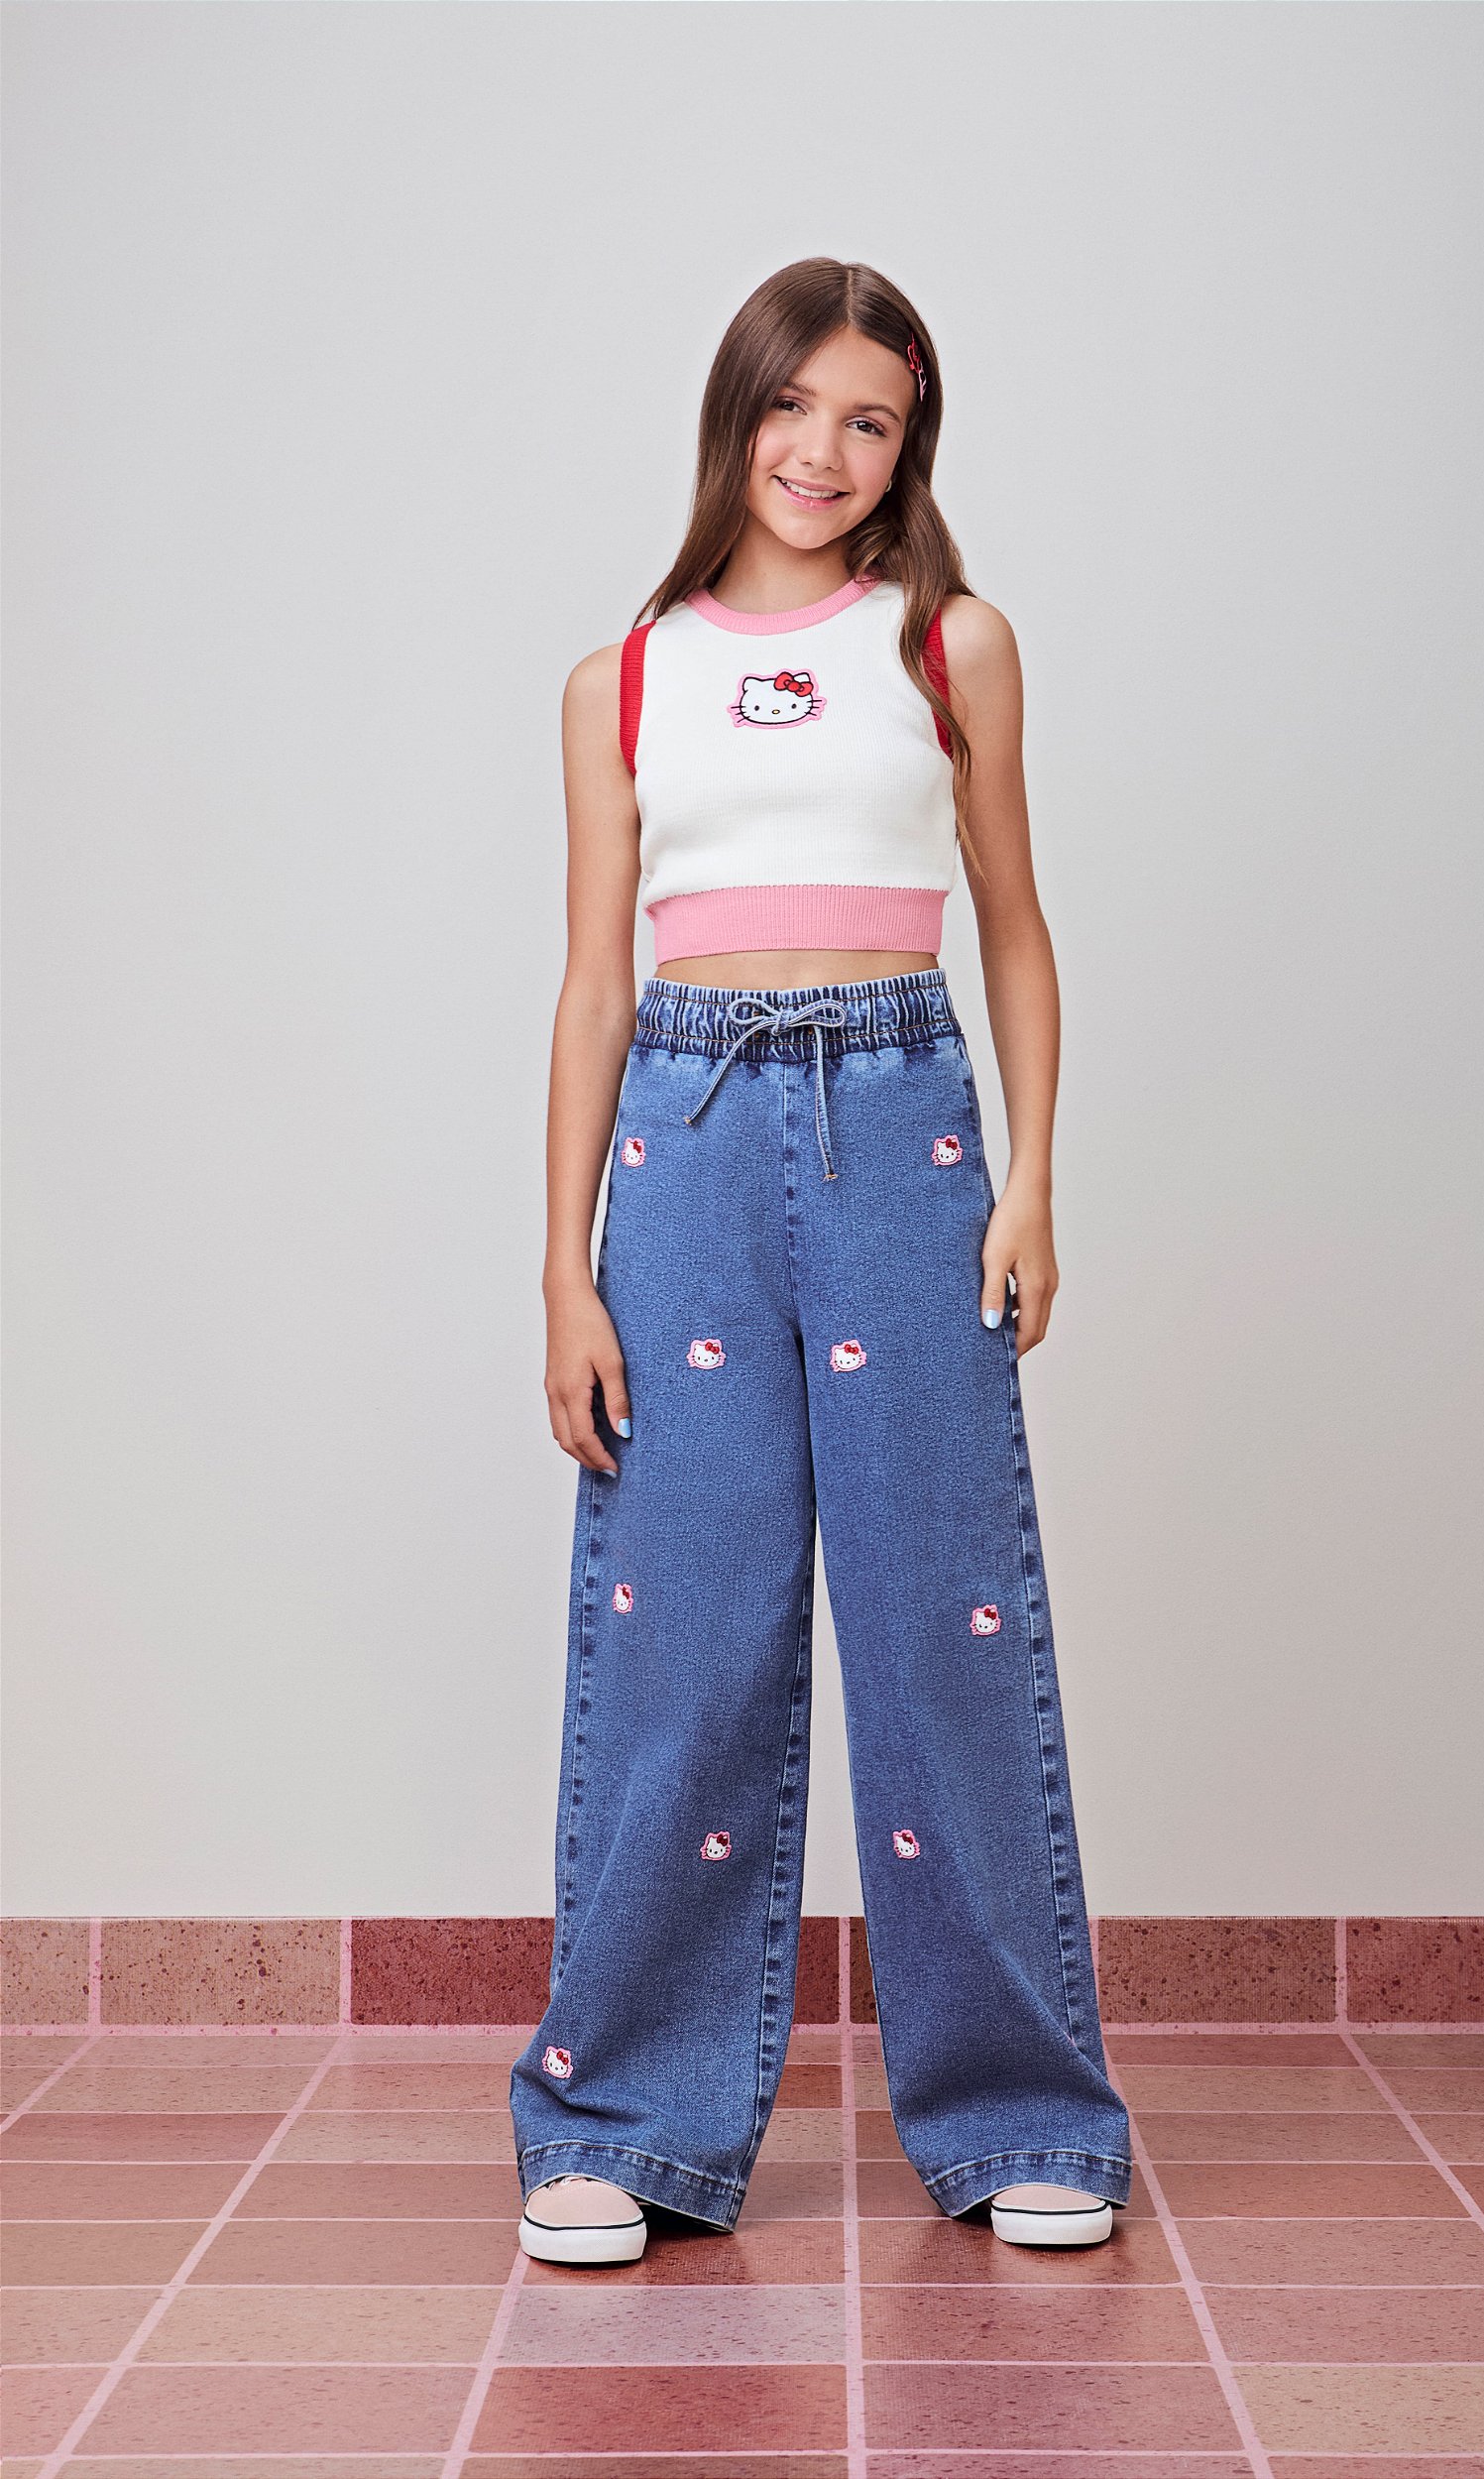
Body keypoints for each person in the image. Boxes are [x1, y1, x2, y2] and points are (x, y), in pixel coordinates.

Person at [509, 259, 1132, 2268]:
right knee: (680, 1628)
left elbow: (1014, 921)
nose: (823, 451)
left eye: (870, 418)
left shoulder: (949, 642)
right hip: (682, 1145)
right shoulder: (625, 674)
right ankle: (626, 2120)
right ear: (738, 413)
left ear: (908, 439)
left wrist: (1030, 1181)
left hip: (902, 1124)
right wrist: (562, 1269)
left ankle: (1021, 2113)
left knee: (947, 1623)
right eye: (795, 407)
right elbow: (593, 984)